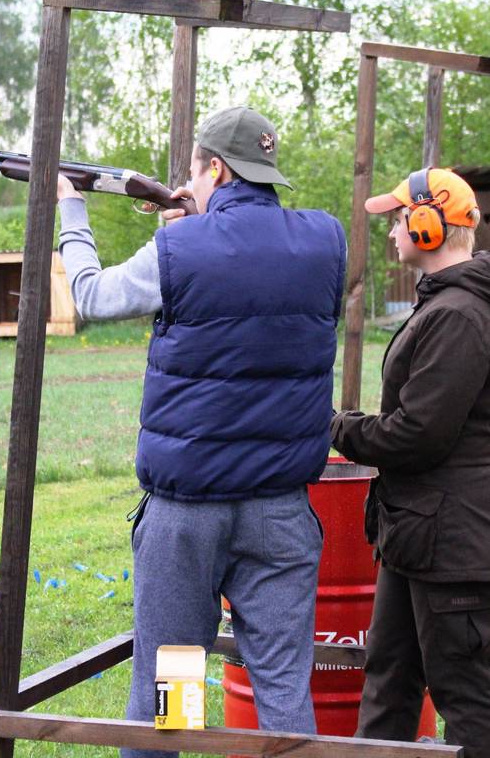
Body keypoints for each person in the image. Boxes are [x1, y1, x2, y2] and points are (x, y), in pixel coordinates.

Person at [56, 106, 346, 757]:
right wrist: (200, 230)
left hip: (187, 518)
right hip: (282, 513)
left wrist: (71, 210)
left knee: (174, 681)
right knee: (282, 689)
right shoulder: (326, 241)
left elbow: (92, 299)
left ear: (214, 167)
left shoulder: (180, 249)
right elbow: (255, 282)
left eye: (194, 167)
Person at [330, 167, 490, 757]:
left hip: (454, 536)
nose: (392, 231)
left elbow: (418, 435)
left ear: (428, 225)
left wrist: (338, 428)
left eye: (398, 219)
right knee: (389, 679)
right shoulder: (447, 307)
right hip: (419, 531)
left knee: (465, 693)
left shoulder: (459, 316)